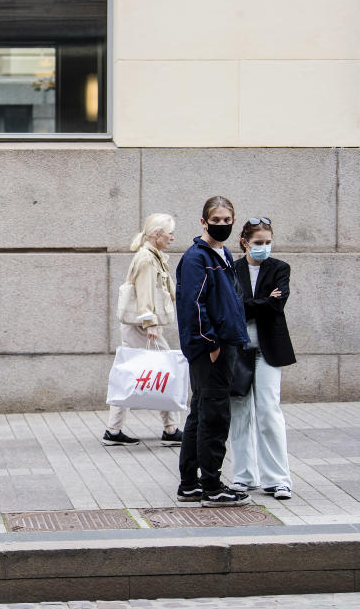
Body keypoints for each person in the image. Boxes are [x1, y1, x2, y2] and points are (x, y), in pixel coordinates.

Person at [175, 196, 251, 507]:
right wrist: (212, 345)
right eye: (216, 220)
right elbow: (193, 304)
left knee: (202, 411)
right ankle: (212, 486)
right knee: (214, 416)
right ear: (204, 222)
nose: (222, 225)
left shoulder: (222, 253)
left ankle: (190, 484)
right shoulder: (197, 257)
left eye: (226, 220)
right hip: (212, 349)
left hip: (224, 343)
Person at [228, 218, 296, 500]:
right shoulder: (232, 268)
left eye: (268, 243)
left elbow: (277, 304)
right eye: (258, 243)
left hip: (269, 350)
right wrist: (264, 301)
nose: (264, 248)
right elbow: (233, 307)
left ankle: (279, 479)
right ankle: (244, 477)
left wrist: (256, 304)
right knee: (240, 412)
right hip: (239, 349)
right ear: (245, 242)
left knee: (269, 412)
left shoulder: (280, 268)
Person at [103, 213, 183, 446]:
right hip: (142, 327)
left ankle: (115, 430)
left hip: (138, 326)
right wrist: (151, 325)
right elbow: (145, 293)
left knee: (129, 374)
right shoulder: (148, 259)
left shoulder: (150, 256)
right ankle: (170, 429)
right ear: (157, 235)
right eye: (169, 232)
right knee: (164, 370)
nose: (172, 237)